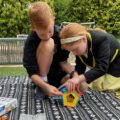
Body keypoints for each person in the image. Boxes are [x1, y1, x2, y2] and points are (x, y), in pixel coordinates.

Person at [23, 2, 85, 98]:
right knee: (48, 42)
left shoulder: (60, 34)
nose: (48, 35)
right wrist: (45, 86)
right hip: (41, 77)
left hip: (58, 74)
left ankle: (57, 84)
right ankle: (43, 85)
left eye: (50, 31)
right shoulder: (31, 41)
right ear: (33, 28)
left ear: (53, 19)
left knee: (82, 86)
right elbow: (32, 73)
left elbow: (63, 61)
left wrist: (74, 75)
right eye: (42, 34)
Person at [60, 23, 120, 94]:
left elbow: (102, 68)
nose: (74, 53)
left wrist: (79, 79)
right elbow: (80, 67)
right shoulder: (80, 46)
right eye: (71, 51)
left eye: (75, 49)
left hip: (115, 68)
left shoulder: (101, 40)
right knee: (72, 80)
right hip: (102, 68)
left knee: (97, 86)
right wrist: (74, 77)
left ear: (83, 39)